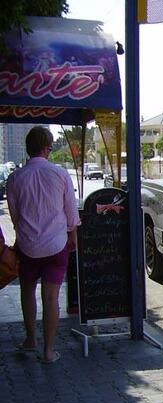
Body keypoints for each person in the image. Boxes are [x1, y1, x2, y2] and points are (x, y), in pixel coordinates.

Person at [7, 126, 80, 364]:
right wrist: (73, 238)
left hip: (27, 246)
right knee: (51, 298)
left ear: (28, 149)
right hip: (56, 245)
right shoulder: (60, 174)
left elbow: (15, 216)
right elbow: (71, 214)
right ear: (47, 148)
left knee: (27, 291)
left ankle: (31, 339)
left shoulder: (15, 178)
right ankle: (49, 351)